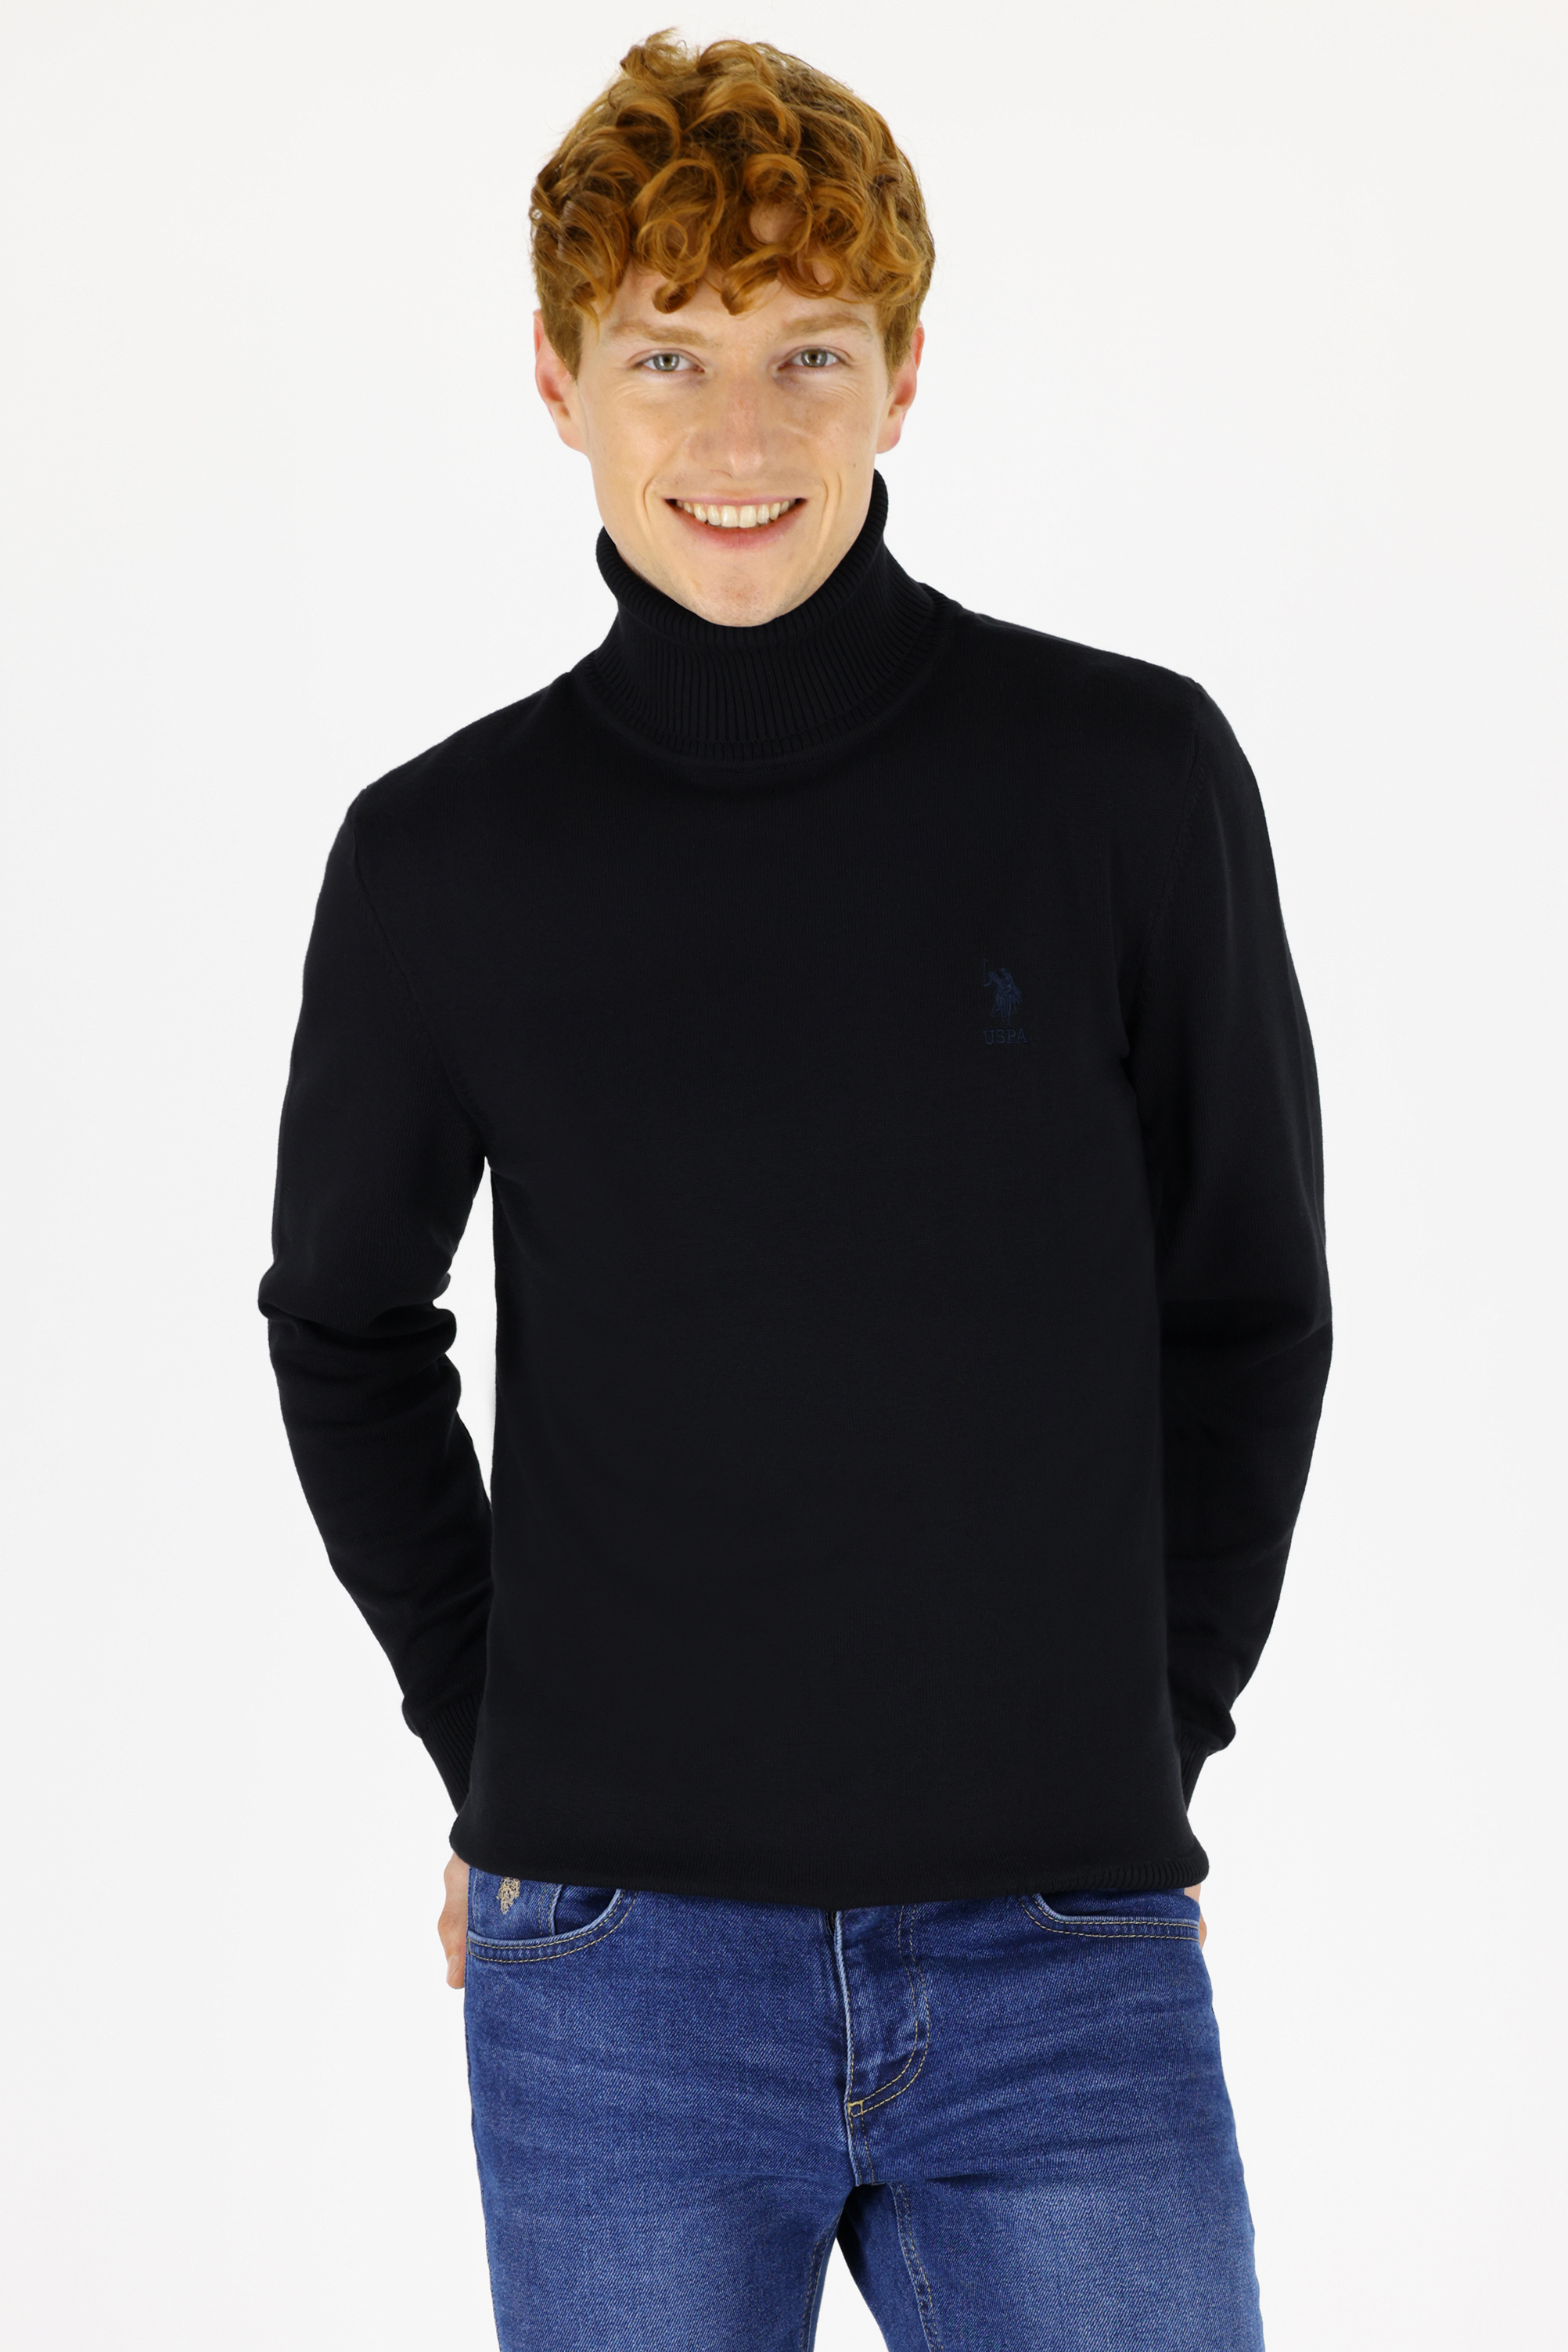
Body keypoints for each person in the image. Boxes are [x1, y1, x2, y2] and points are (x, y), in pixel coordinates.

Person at [259, 31, 1330, 2349]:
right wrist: (496, 1751)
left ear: (903, 376)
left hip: (1063, 1954)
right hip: (616, 1970)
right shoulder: (445, 856)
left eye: (805, 355)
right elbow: (343, 1328)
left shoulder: (1121, 778)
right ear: (557, 380)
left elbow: (1245, 1297)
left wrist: (1152, 1729)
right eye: (668, 353)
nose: (736, 437)